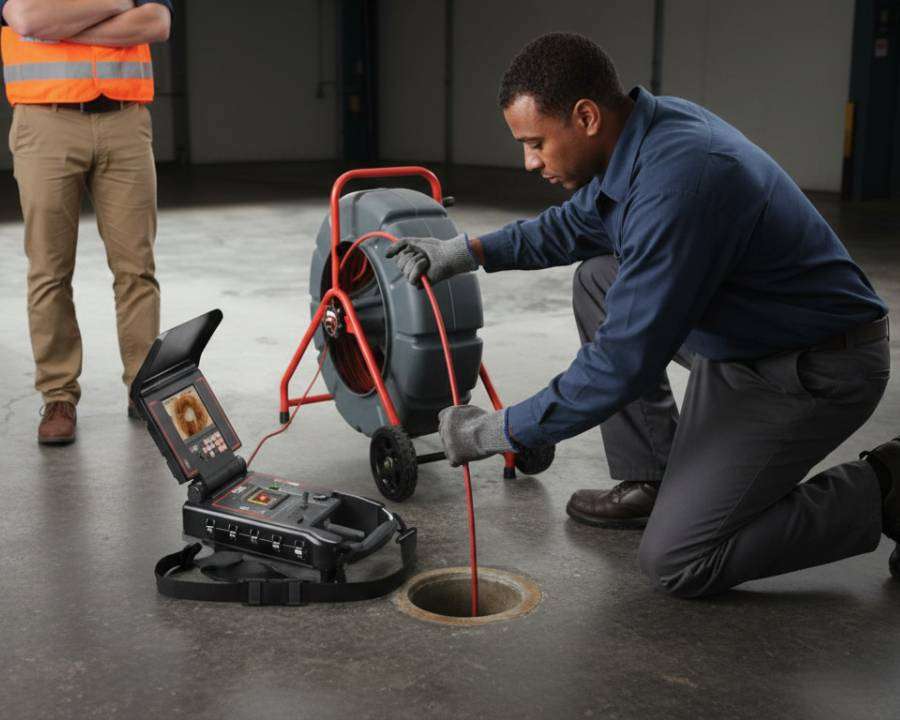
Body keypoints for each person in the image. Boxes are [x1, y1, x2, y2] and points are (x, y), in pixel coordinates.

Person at [386, 32, 900, 597]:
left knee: (679, 560)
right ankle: (653, 479)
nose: (528, 162)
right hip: (748, 337)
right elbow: (577, 224)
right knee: (598, 276)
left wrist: (494, 431)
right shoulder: (642, 133)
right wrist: (469, 252)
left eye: (535, 143)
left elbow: (620, 366)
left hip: (814, 369)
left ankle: (886, 486)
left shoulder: (683, 179)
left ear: (584, 116)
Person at [1, 0, 172, 444]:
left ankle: (143, 388)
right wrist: (116, 8)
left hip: (125, 123)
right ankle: (58, 396)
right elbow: (26, 19)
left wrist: (61, 27)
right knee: (49, 270)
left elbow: (157, 22)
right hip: (45, 123)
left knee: (137, 267)